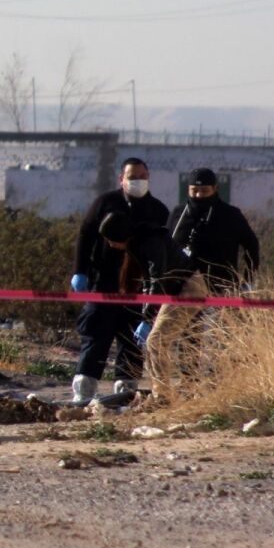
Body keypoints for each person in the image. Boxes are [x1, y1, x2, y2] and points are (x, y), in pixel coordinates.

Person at [68, 157, 170, 406]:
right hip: (103, 283)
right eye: (133, 177)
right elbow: (85, 235)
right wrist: (80, 270)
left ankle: (123, 395)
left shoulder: (158, 210)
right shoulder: (105, 202)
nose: (138, 181)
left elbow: (159, 252)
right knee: (95, 337)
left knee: (131, 344)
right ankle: (83, 393)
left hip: (138, 287)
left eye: (142, 176)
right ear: (121, 179)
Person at [96, 211, 204, 404]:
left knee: (156, 341)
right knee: (155, 342)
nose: (110, 244)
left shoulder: (149, 241)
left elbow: (157, 279)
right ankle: (160, 393)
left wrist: (147, 319)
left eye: (111, 239)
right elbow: (150, 283)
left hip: (188, 289)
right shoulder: (139, 242)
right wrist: (148, 312)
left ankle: (162, 397)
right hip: (176, 291)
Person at [168, 167, 259, 292]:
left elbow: (252, 246)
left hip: (221, 291)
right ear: (188, 190)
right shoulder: (178, 214)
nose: (199, 195)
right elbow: (165, 247)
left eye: (204, 191)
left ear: (215, 189)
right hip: (180, 291)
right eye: (194, 190)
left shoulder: (231, 215)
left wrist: (248, 282)